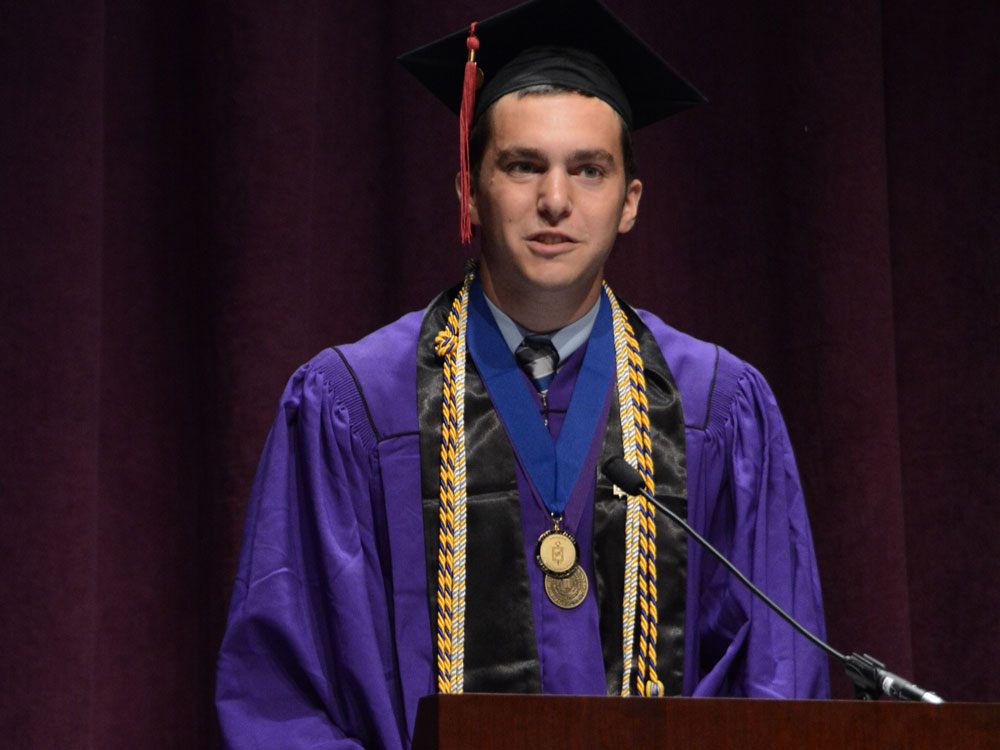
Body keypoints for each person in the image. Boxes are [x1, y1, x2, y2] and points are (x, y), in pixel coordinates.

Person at [215, 0, 830, 747]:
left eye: (589, 170)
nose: (556, 200)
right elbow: (282, 701)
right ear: (469, 192)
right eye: (522, 165)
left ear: (629, 203)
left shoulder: (718, 405)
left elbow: (775, 682)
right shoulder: (352, 403)